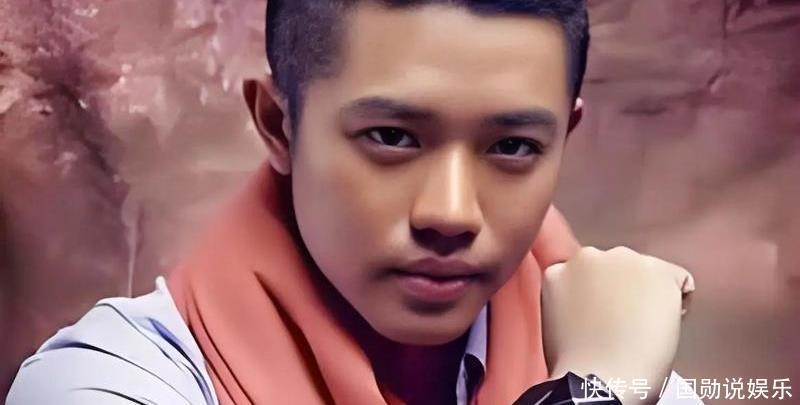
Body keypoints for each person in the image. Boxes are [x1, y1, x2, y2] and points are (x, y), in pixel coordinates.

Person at [7, 1, 702, 404]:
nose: (451, 212)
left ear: (564, 139)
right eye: (392, 136)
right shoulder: (105, 382)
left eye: (513, 146)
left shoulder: (632, 374)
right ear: (279, 125)